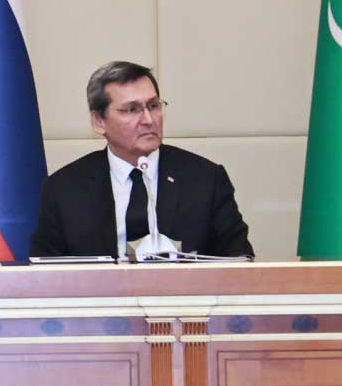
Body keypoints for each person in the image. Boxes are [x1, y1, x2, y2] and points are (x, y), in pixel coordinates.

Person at [28, 61, 253, 259]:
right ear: (99, 121)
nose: (148, 119)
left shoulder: (206, 179)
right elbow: (43, 274)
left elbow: (240, 262)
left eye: (153, 106)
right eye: (131, 109)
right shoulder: (64, 188)